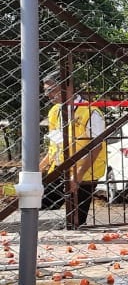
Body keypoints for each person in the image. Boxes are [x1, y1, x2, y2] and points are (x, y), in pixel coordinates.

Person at [40, 73, 107, 229]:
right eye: (46, 91)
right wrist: (40, 167)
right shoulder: (54, 111)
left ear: (67, 88)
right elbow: (54, 144)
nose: (48, 95)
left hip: (85, 170)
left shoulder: (90, 112)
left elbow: (96, 146)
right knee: (43, 207)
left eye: (51, 90)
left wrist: (78, 175)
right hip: (60, 168)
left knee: (76, 218)